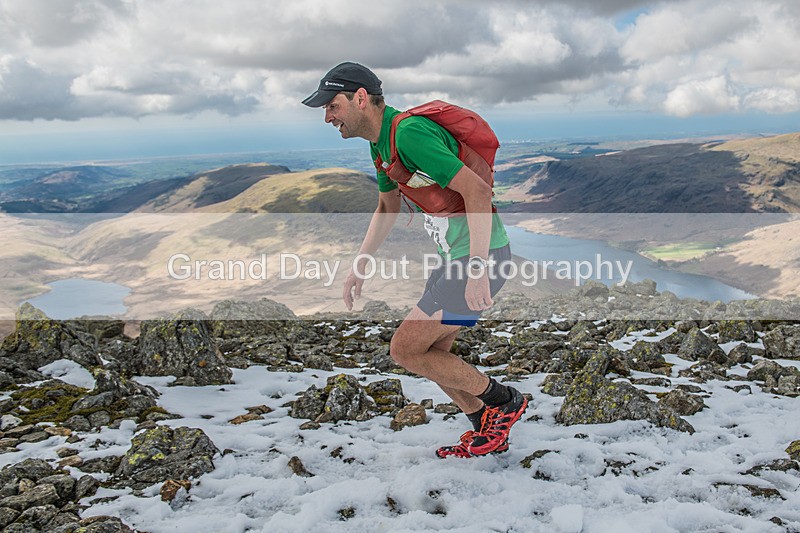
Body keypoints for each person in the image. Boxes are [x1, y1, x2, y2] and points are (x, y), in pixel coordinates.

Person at [302, 62, 527, 458]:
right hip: (456, 258)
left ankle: (505, 403)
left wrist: (477, 270)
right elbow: (388, 206)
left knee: (405, 349)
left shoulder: (408, 134)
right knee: (432, 354)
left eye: (331, 105)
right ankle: (485, 430)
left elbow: (477, 192)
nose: (327, 116)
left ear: (359, 98)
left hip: (479, 257)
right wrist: (360, 265)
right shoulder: (380, 143)